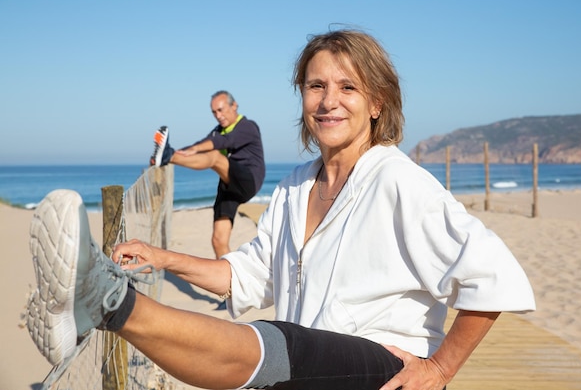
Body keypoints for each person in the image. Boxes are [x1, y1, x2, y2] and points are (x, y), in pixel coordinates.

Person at [26, 29, 535, 390]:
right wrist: (164, 258)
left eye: (348, 87)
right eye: (316, 86)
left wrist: (440, 370)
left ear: (377, 102)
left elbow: (493, 274)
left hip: (383, 368)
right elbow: (247, 276)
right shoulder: (295, 188)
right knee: (286, 352)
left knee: (283, 343)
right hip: (305, 371)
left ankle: (104, 303)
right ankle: (95, 306)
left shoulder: (399, 180)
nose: (328, 101)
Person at [150, 90, 265, 258]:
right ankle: (228, 282)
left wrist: (178, 154)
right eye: (214, 112)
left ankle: (169, 156)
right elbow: (201, 144)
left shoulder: (248, 126)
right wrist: (168, 152)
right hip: (228, 186)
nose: (218, 115)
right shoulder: (218, 130)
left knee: (214, 157)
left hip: (248, 180)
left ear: (234, 106)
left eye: (221, 109)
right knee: (218, 240)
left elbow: (221, 142)